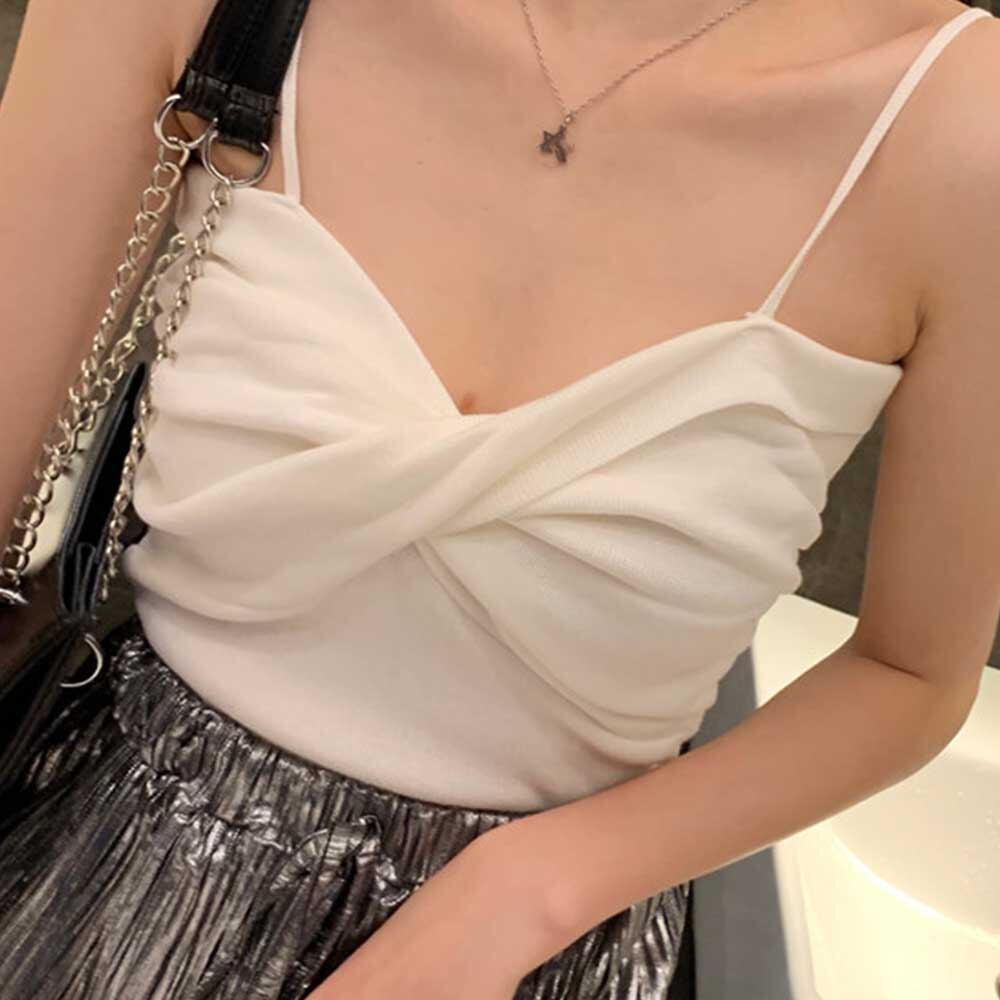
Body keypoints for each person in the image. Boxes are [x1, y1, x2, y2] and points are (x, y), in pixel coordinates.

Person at [1, 0, 998, 997]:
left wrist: (527, 890)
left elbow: (910, 674)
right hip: (99, 871)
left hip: (538, 954)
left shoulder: (955, 127)